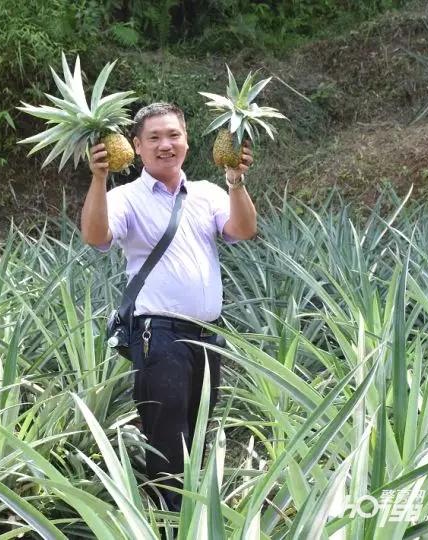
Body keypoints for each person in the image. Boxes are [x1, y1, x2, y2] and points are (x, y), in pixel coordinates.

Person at [80, 102, 257, 512]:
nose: (166, 145)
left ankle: (189, 515)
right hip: (157, 334)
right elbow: (95, 235)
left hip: (209, 337)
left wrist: (236, 181)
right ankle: (170, 521)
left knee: (198, 432)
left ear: (187, 141)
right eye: (154, 138)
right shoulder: (124, 197)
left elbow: (244, 229)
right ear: (136, 147)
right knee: (167, 437)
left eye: (173, 135)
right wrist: (98, 178)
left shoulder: (209, 193)